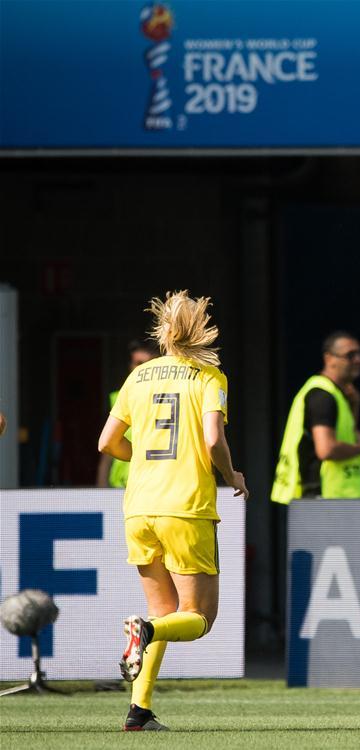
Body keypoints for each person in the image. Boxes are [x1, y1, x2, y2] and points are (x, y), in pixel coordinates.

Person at [97, 290, 248, 731]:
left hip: (138, 507)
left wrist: (145, 459)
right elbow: (213, 440)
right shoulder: (209, 376)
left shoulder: (138, 376)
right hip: (185, 507)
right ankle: (144, 632)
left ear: (162, 332)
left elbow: (106, 443)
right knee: (199, 618)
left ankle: (138, 711)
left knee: (162, 612)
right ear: (201, 330)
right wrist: (232, 475)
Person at [271, 331, 360, 501]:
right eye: (350, 355)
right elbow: (326, 448)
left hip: (336, 497)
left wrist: (355, 407)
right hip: (323, 496)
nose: (358, 360)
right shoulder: (322, 395)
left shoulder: (337, 394)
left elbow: (347, 434)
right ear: (329, 358)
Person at [96, 340, 159, 488]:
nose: (142, 369)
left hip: (150, 484)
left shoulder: (166, 398)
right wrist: (101, 487)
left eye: (147, 363)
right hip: (119, 485)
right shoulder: (117, 398)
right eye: (138, 363)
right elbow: (106, 447)